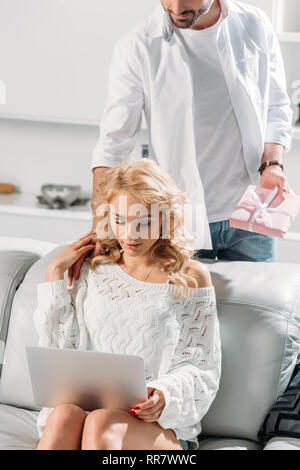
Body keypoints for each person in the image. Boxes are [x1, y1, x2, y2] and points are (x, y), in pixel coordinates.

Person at [75, 0, 293, 288]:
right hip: (178, 219)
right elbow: (114, 141)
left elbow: (275, 107)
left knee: (260, 315)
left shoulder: (253, 25)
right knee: (186, 319)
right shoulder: (137, 46)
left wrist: (272, 164)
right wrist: (102, 222)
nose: (176, 7)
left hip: (252, 208)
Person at [33, 159, 221, 450]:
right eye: (120, 221)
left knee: (103, 422)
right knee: (63, 415)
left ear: (165, 218)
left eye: (144, 222)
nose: (131, 235)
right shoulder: (91, 269)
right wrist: (54, 274)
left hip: (157, 427)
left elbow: (201, 366)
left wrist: (163, 395)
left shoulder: (190, 276)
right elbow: (58, 357)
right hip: (85, 415)